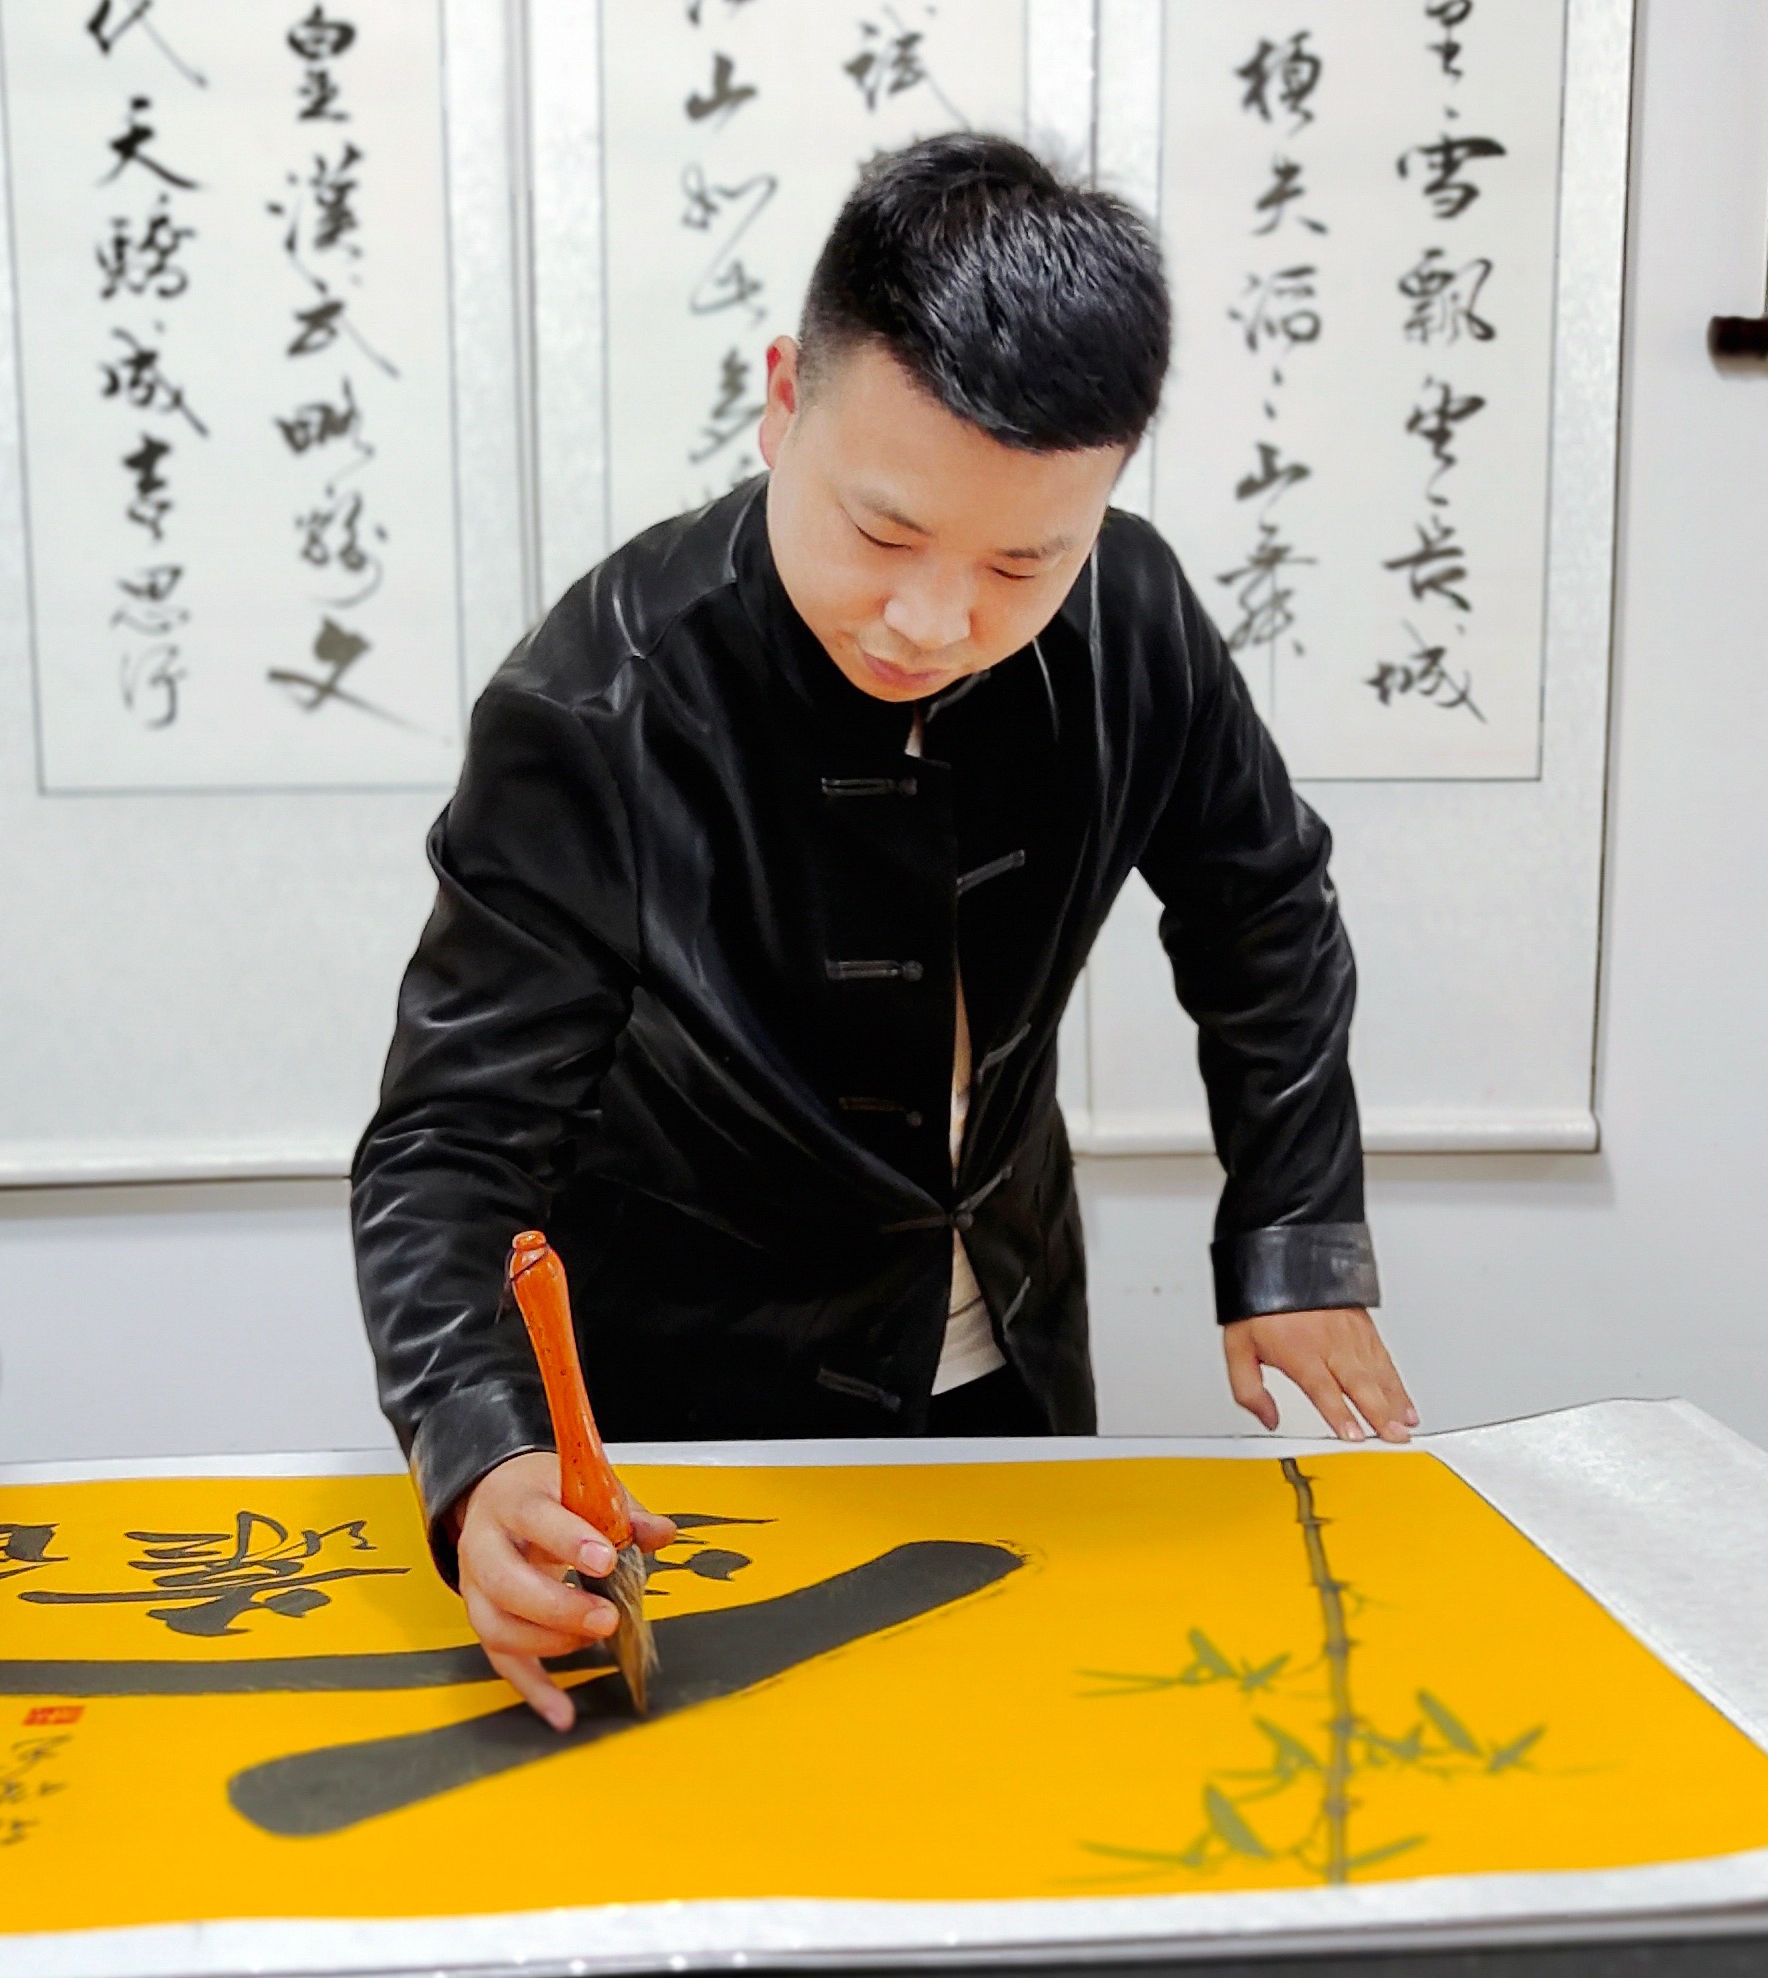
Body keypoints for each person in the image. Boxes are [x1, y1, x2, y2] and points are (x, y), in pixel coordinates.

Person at [352, 132, 1414, 1728]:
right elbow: (448, 1141)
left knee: (1022, 1774)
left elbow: (1260, 904)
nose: (934, 618)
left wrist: (1295, 1229)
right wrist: (479, 1443)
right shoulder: (596, 700)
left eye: (1020, 559)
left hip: (1011, 1368)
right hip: (687, 1421)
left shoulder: (1131, 614)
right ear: (784, 398)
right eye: (883, 532)